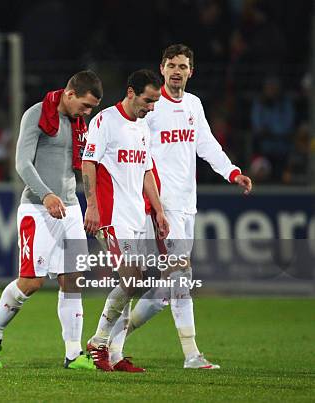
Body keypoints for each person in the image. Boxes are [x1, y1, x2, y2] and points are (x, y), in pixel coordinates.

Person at [107, 44, 253, 369]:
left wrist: (232, 171)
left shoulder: (193, 105)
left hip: (187, 205)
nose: (176, 71)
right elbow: (135, 149)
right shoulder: (151, 107)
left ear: (191, 71)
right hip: (162, 206)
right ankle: (191, 355)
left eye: (182, 66)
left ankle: (109, 342)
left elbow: (206, 144)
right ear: (162, 69)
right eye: (171, 65)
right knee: (180, 276)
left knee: (162, 293)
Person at [0, 71, 103, 370]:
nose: (86, 114)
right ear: (70, 93)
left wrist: (91, 204)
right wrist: (46, 195)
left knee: (72, 280)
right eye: (85, 106)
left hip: (71, 208)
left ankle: (73, 353)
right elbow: (21, 162)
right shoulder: (36, 113)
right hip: (37, 208)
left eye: (91, 109)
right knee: (32, 282)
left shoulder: (77, 123)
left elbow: (84, 166)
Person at [82, 69, 169, 372]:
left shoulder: (143, 127)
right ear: (131, 93)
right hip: (110, 216)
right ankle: (99, 341)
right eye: (148, 100)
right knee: (131, 278)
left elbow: (146, 171)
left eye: (156, 102)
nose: (151, 107)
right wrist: (92, 205)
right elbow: (88, 163)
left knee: (132, 283)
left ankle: (116, 354)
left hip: (135, 216)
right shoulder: (105, 121)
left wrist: (158, 211)